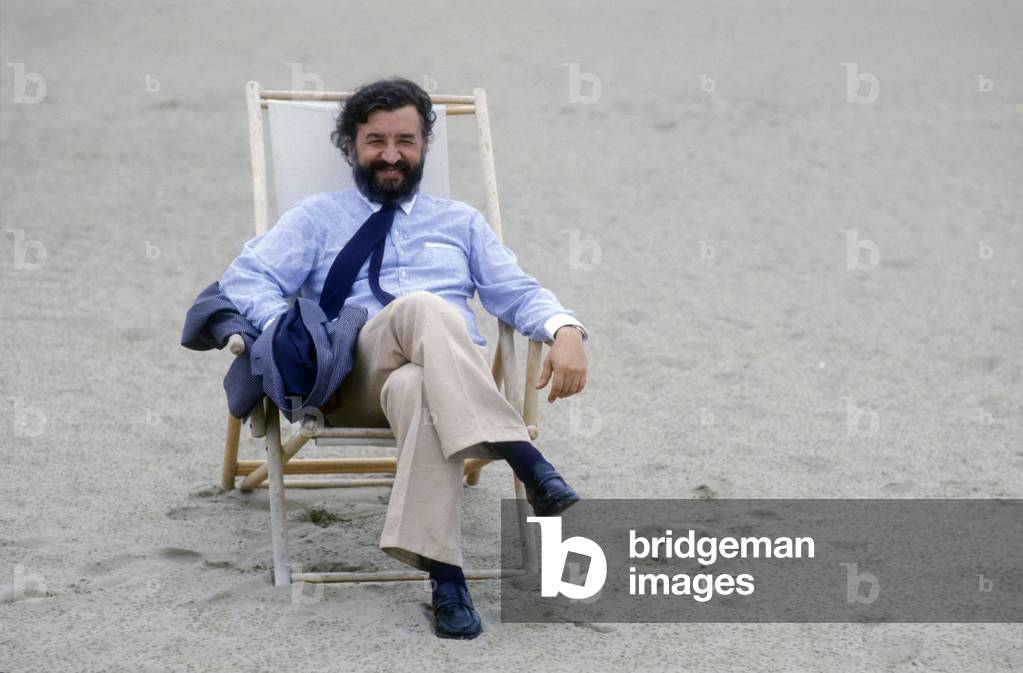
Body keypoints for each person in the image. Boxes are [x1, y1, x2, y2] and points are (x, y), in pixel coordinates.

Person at [219, 77, 588, 639]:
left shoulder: (460, 222)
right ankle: (524, 458)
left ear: (424, 147)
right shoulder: (315, 217)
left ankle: (447, 579)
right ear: (350, 147)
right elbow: (246, 278)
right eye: (375, 141)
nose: (391, 155)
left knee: (420, 387)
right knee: (424, 307)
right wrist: (285, 327)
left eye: (405, 141)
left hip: (438, 385)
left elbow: (516, 291)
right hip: (349, 382)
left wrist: (565, 328)